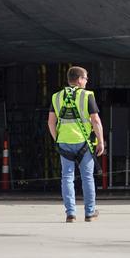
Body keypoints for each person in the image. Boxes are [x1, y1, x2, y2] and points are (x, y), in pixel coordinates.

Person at [47, 66, 105, 222]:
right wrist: (101, 141)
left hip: (64, 142)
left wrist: (57, 139)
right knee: (87, 178)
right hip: (84, 142)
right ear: (79, 79)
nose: (87, 81)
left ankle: (70, 213)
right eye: (86, 78)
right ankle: (89, 213)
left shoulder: (56, 97)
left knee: (67, 177)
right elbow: (95, 120)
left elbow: (51, 122)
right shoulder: (87, 96)